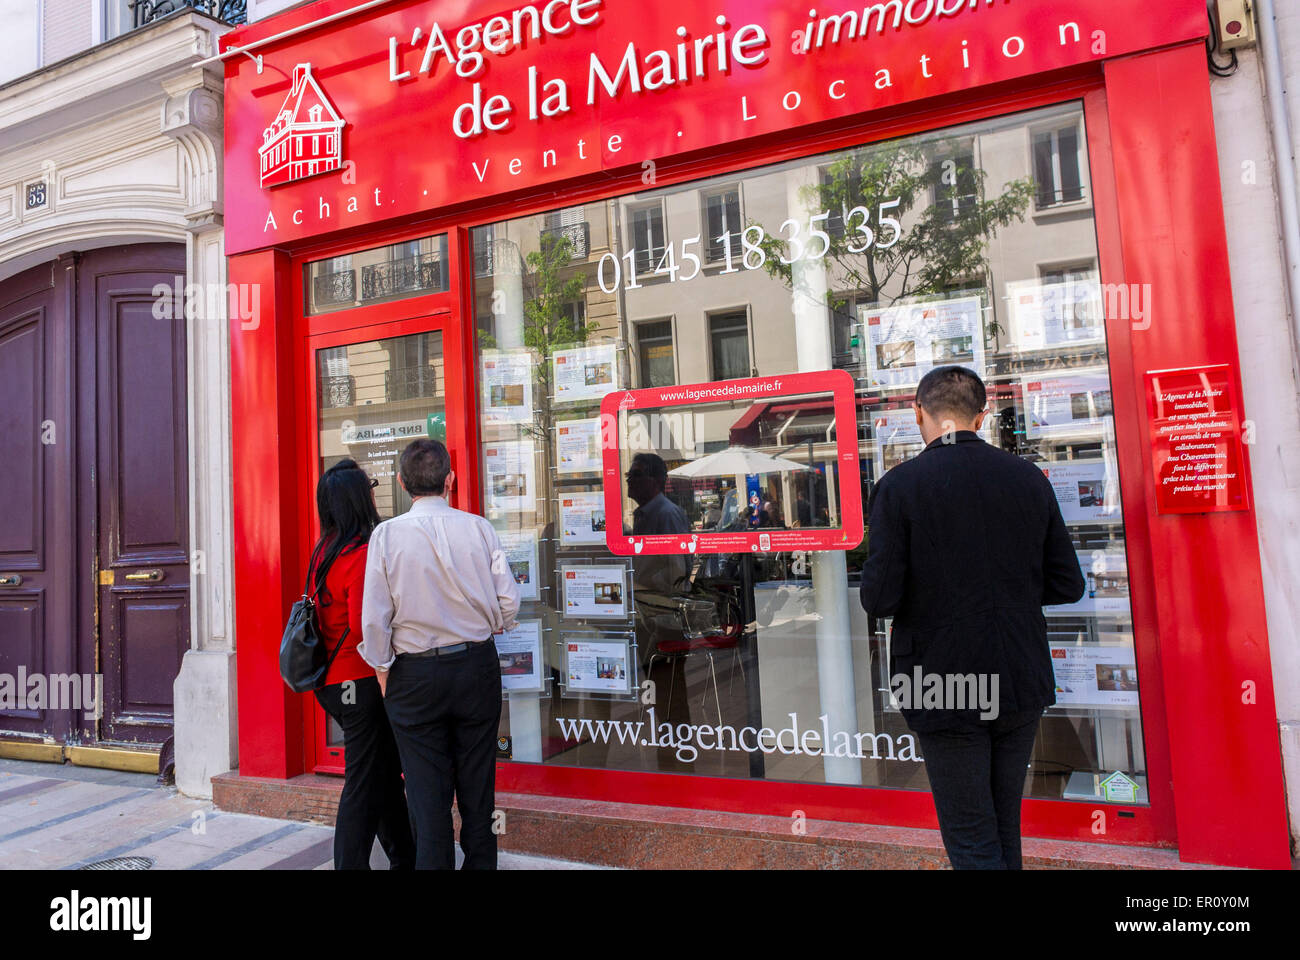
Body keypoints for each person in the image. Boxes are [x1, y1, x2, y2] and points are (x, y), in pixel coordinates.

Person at [859, 366, 1085, 870]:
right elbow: (1069, 583)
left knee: (970, 838)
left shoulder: (900, 487)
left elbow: (879, 599)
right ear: (981, 416)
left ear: (918, 412)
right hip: (1019, 674)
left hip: (944, 682)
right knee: (1004, 826)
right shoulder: (1027, 478)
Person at [360, 439, 521, 870]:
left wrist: (381, 666)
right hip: (475, 665)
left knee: (427, 794)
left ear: (401, 482)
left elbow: (375, 617)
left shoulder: (387, 535)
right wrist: (493, 623)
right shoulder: (479, 528)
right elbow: (508, 601)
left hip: (413, 674)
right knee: (478, 784)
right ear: (450, 479)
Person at [309, 459, 415, 871]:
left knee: (384, 776)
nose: (375, 490)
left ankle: (406, 858)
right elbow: (362, 626)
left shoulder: (325, 549)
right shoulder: (360, 552)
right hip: (361, 682)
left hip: (334, 683)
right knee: (363, 782)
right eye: (370, 485)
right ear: (360, 497)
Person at [626, 452, 689, 536]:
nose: (629, 480)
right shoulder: (641, 514)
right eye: (628, 475)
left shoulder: (668, 514)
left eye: (637, 475)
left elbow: (675, 548)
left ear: (657, 480)